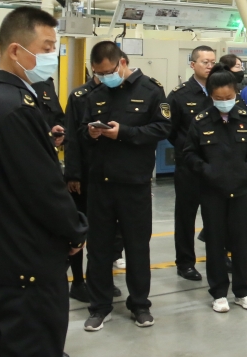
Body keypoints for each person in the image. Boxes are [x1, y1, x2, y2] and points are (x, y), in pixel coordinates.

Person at [0, 6, 87, 357]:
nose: (52, 56)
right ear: (16, 50)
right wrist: (74, 230)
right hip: (28, 259)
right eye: (46, 48)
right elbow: (42, 187)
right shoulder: (16, 107)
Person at [82, 42, 171, 331]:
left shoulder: (150, 90)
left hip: (134, 183)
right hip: (101, 183)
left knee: (137, 247)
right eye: (98, 73)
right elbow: (81, 129)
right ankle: (99, 306)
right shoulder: (94, 94)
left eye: (107, 72)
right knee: (98, 248)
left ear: (122, 62)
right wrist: (91, 132)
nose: (103, 77)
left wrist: (125, 133)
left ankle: (140, 304)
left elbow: (162, 128)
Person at [179, 65, 247, 313]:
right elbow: (189, 153)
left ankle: (242, 291)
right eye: (219, 98)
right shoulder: (200, 121)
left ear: (235, 93)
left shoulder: (246, 119)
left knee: (241, 242)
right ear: (211, 96)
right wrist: (206, 171)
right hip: (212, 191)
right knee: (215, 242)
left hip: (241, 190)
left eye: (229, 97)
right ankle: (218, 292)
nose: (224, 102)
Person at [64, 72, 123, 303]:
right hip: (85, 173)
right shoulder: (79, 96)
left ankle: (100, 279)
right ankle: (78, 282)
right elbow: (72, 136)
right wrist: (73, 174)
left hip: (110, 173)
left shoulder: (120, 93)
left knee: (107, 232)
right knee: (80, 228)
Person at [167, 45, 217, 282]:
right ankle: (185, 262)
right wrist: (188, 150)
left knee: (216, 215)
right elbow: (169, 129)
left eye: (213, 62)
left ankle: (218, 256)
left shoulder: (221, 90)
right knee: (186, 217)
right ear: (192, 64)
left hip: (216, 165)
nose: (209, 66)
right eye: (205, 62)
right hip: (189, 167)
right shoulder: (180, 95)